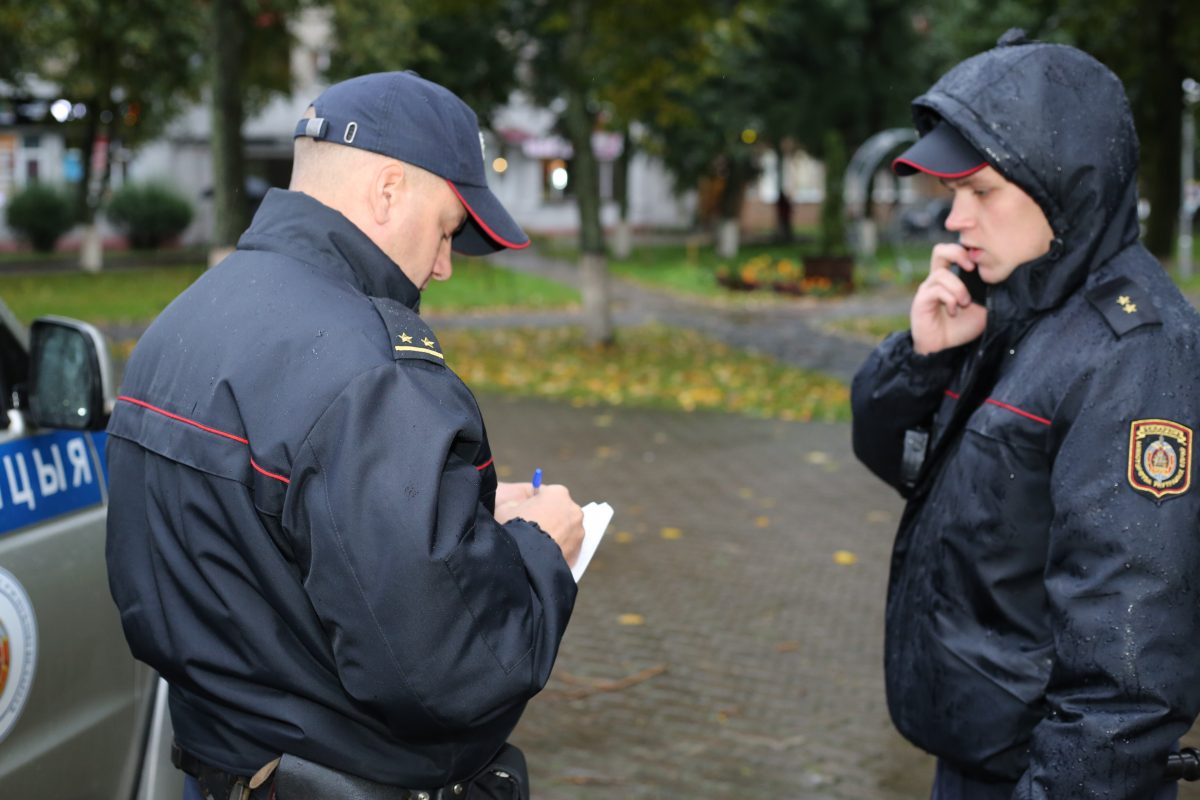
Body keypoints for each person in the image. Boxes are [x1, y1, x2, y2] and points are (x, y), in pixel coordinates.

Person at [105, 71, 585, 800]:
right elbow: (454, 665)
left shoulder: (178, 326)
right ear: (388, 191)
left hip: (222, 768)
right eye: (447, 231)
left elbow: (276, 553)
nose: (443, 265)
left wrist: (460, 530)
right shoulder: (374, 374)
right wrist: (540, 550)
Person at [852, 31, 1200, 800]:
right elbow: (899, 458)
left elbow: (1130, 680)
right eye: (952, 197)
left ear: (1062, 186)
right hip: (982, 757)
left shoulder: (1135, 355)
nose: (955, 221)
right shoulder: (1018, 304)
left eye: (982, 192)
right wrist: (923, 357)